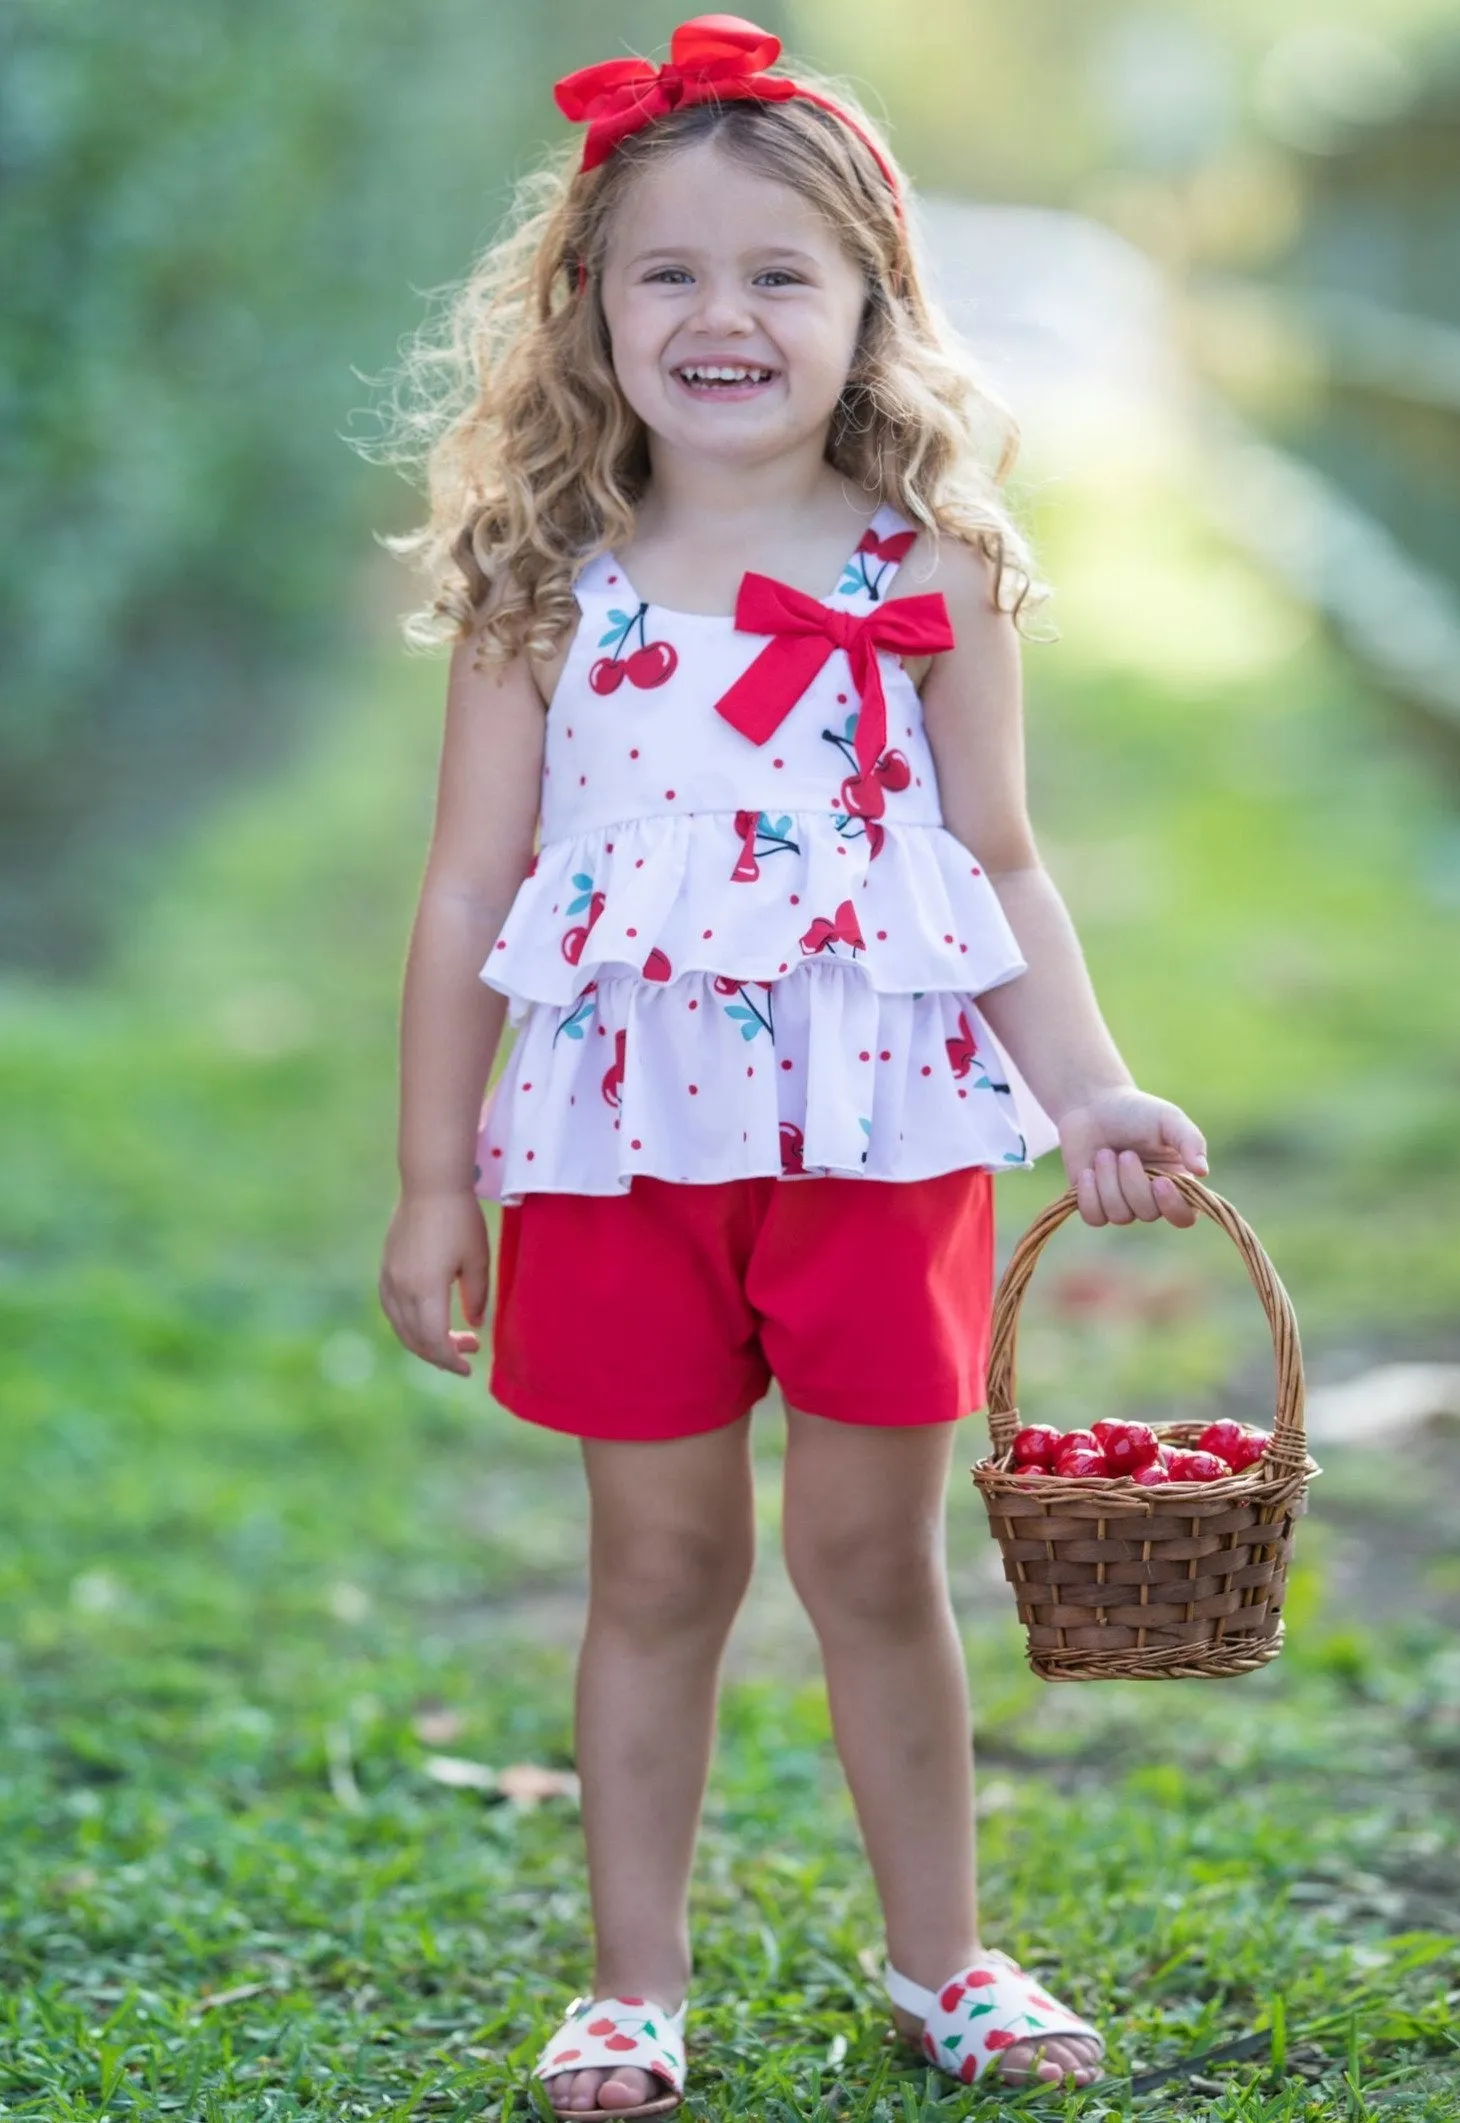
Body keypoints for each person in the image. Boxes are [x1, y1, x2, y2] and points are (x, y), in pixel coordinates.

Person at [375, 15, 1209, 2114]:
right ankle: (633, 1983)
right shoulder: (540, 582)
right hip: (614, 1144)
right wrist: (427, 1180)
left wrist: (1093, 1085)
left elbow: (999, 853)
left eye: (781, 274)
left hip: (874, 1133)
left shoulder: (926, 564)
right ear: (588, 305)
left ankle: (946, 1956)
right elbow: (472, 879)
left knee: (870, 1558)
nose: (723, 315)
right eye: (668, 270)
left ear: (870, 308)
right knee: (657, 1561)